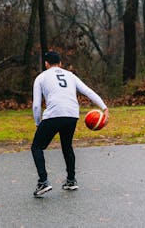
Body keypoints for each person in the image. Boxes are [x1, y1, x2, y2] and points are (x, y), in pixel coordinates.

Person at [31, 51, 109, 197]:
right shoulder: (70, 75)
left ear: (46, 64)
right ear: (60, 63)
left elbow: (36, 105)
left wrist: (37, 123)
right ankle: (71, 180)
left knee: (36, 147)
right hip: (72, 115)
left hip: (54, 114)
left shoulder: (41, 77)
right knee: (67, 145)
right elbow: (88, 92)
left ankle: (43, 182)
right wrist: (104, 108)